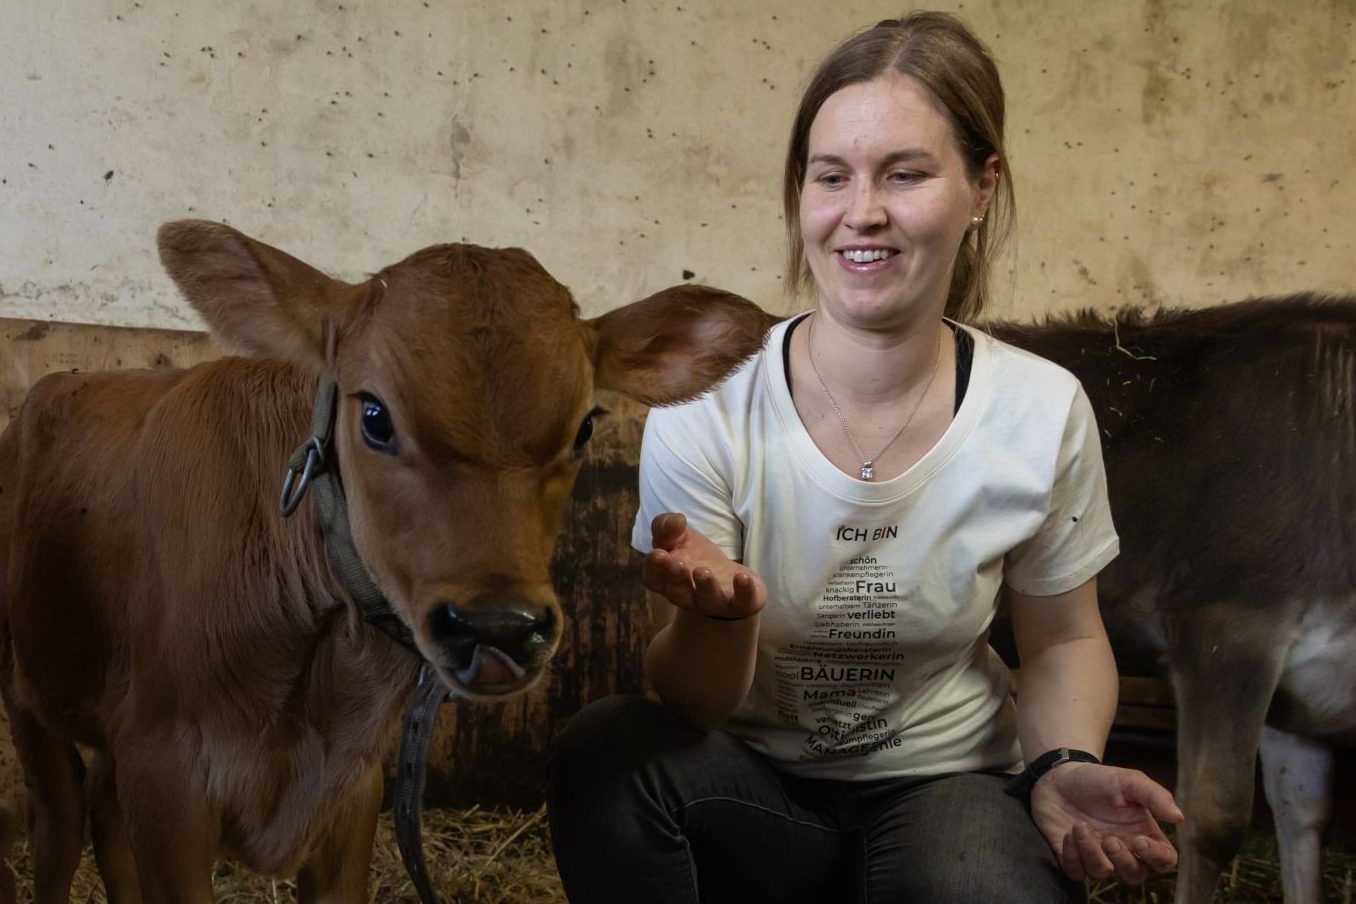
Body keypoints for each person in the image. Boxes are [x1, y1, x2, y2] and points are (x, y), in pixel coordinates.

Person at [547, 11, 1183, 903]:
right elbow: (689, 705)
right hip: (756, 787)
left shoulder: (1039, 407)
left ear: (981, 186)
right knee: (609, 751)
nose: (862, 213)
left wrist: (1062, 764)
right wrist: (719, 621)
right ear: (799, 193)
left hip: (951, 791)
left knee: (977, 879)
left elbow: (1064, 641)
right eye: (832, 176)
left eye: (907, 174)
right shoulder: (707, 402)